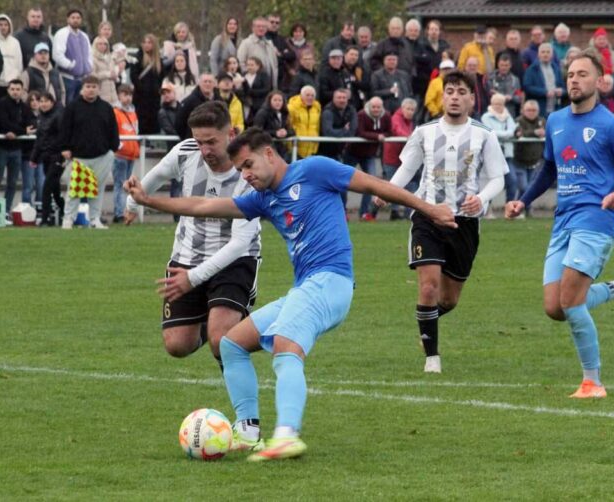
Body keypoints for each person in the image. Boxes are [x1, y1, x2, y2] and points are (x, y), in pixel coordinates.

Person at [125, 126, 456, 461]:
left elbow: (375, 185)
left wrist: (430, 209)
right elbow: (204, 205)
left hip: (330, 281)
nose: (246, 175)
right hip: (306, 287)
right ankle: (247, 431)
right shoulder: (263, 200)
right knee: (231, 343)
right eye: (241, 169)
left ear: (269, 153)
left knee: (285, 344)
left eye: (249, 165)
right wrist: (149, 201)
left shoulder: (314, 170)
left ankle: (286, 434)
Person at [505, 50, 614, 399]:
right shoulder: (555, 121)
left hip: (596, 220)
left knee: (570, 301)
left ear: (599, 82)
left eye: (582, 74)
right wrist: (522, 200)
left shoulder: (611, 125)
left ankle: (592, 382)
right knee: (555, 307)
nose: (574, 79)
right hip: (563, 220)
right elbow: (549, 170)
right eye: (570, 74)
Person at [376, 70, 507, 373]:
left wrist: (483, 198)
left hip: (465, 222)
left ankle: (426, 322)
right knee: (428, 288)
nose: (455, 97)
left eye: (462, 92)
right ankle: (432, 358)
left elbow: (497, 178)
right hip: (427, 215)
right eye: (450, 91)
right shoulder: (424, 132)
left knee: (449, 299)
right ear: (442, 96)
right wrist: (387, 191)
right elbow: (407, 170)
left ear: (472, 98)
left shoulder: (484, 135)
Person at [124, 101, 261, 372]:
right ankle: (218, 325)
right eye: (199, 142)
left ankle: (246, 409)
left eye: (211, 141)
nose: (205, 150)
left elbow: (239, 244)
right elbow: (154, 177)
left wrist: (194, 278)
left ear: (231, 134)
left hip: (235, 260)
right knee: (177, 346)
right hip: (186, 256)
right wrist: (131, 205)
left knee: (221, 339)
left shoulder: (249, 172)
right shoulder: (185, 152)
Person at [59, 75, 119, 229]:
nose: (91, 90)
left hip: (102, 155)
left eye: (94, 87)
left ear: (98, 89)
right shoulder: (72, 107)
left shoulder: (106, 107)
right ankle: (68, 219)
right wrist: (65, 147)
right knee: (75, 190)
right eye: (88, 86)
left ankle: (94, 219)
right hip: (79, 156)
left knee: (98, 188)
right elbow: (65, 129)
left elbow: (113, 130)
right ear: (82, 89)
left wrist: (113, 148)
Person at [0, 79, 37, 214]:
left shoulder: (24, 107)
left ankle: (6, 210)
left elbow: (31, 124)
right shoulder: (2, 103)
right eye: (12, 89)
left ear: (22, 91)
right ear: (8, 90)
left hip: (17, 149)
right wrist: (23, 131)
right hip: (2, 148)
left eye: (18, 89)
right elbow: (4, 123)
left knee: (12, 183)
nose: (15, 92)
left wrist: (18, 131)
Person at [344, 96, 391, 220]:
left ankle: (364, 213)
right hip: (352, 153)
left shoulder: (386, 116)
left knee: (370, 184)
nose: (376, 109)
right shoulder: (361, 115)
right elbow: (360, 132)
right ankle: (342, 211)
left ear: (382, 108)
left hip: (369, 154)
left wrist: (381, 135)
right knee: (343, 182)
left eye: (378, 107)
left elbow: (389, 131)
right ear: (369, 106)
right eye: (373, 107)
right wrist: (377, 136)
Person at [30, 93, 64, 226]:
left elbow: (63, 136)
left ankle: (45, 219)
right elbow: (39, 140)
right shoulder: (41, 117)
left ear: (52, 102)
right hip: (45, 157)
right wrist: (34, 158)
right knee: (55, 191)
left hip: (56, 156)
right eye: (41, 101)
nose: (43, 104)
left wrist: (62, 155)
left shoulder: (58, 116)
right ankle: (64, 210)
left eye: (46, 101)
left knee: (46, 188)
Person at [382, 98, 418, 220]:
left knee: (404, 186)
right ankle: (391, 212)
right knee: (391, 187)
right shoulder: (396, 118)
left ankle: (406, 213)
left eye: (412, 110)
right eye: (408, 109)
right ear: (402, 109)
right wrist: (410, 137)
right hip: (392, 158)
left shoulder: (410, 122)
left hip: (402, 158)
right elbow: (397, 130)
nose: (410, 112)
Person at [482, 93, 517, 205]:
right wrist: (507, 134)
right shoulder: (485, 117)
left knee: (513, 181)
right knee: (491, 182)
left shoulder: (508, 116)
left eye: (500, 104)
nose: (498, 106)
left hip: (507, 154)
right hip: (492, 154)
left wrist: (503, 134)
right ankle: (487, 210)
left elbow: (513, 131)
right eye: (495, 103)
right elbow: (491, 133)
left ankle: (510, 208)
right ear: (491, 104)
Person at [512, 99, 546, 215]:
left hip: (536, 161)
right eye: (529, 110)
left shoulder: (542, 121)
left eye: (534, 110)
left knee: (530, 187)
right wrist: (535, 133)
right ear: (523, 111)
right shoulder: (518, 121)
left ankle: (524, 209)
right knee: (524, 186)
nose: (531, 112)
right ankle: (520, 208)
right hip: (519, 161)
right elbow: (519, 133)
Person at [112, 85, 140, 223]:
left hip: (131, 153)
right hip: (121, 154)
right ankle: (119, 212)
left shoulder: (133, 112)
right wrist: (120, 146)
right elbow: (113, 131)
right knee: (120, 184)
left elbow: (135, 130)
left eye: (129, 95)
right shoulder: (116, 112)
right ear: (119, 96)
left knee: (126, 184)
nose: (128, 97)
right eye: (124, 94)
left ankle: (124, 211)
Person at [53, 9, 93, 104]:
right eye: (73, 18)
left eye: (78, 18)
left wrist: (89, 67)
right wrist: (69, 65)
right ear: (68, 19)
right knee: (68, 106)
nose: (75, 20)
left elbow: (89, 54)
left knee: (80, 106)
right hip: (67, 79)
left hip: (82, 79)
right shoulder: (62, 34)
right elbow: (57, 55)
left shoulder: (84, 36)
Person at [130, 34, 163, 135]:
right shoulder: (137, 58)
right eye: (145, 42)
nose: (147, 45)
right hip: (141, 98)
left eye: (149, 42)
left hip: (154, 98)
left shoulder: (159, 60)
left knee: (153, 122)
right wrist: (142, 88)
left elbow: (161, 77)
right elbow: (134, 76)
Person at [523, 43, 565, 117]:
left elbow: (563, 86)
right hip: (539, 108)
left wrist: (561, 91)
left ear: (552, 55)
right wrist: (545, 92)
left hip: (555, 106)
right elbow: (527, 87)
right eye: (543, 52)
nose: (545, 54)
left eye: (548, 52)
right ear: (538, 54)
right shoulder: (532, 69)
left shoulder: (556, 69)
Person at [20, 43, 65, 107]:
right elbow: (23, 93)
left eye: (46, 53)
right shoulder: (27, 73)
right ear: (35, 55)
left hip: (56, 110)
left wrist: (61, 105)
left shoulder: (56, 73)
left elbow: (62, 91)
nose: (43, 56)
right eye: (40, 53)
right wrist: (33, 106)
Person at [237, 17, 277, 88]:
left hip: (269, 84)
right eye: (258, 26)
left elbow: (274, 64)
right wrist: (250, 75)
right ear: (253, 28)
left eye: (263, 27)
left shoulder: (269, 44)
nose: (261, 29)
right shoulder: (246, 43)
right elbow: (240, 62)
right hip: (254, 86)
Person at [252, 90, 294, 159]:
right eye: (275, 100)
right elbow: (257, 131)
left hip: (280, 150)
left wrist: (286, 132)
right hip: (266, 149)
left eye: (280, 100)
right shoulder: (262, 113)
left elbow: (292, 131)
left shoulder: (285, 114)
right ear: (269, 101)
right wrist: (275, 133)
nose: (277, 102)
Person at [318, 88, 357, 161]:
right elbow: (328, 132)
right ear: (333, 98)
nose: (342, 100)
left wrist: (340, 132)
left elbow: (353, 130)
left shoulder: (351, 110)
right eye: (339, 98)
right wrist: (344, 130)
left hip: (344, 152)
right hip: (326, 152)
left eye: (344, 98)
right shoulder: (327, 111)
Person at [175, 73, 216, 140]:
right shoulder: (189, 102)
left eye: (210, 81)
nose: (207, 84)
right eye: (205, 81)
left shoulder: (219, 100)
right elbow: (179, 123)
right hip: (194, 141)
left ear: (214, 84)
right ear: (199, 83)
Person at [0, 14, 23, 104]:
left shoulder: (15, 43)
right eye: (0, 25)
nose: (3, 27)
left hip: (12, 85)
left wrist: (16, 78)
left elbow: (19, 63)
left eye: (6, 25)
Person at [287, 85, 320, 158]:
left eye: (312, 95)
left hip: (311, 149)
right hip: (295, 148)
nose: (310, 97)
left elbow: (317, 127)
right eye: (307, 95)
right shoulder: (291, 108)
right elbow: (288, 126)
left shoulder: (317, 108)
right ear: (301, 95)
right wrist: (289, 146)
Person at [486, 53, 522, 118]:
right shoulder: (490, 78)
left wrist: (511, 98)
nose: (504, 68)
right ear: (498, 65)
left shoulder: (515, 80)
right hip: (493, 114)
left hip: (510, 114)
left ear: (510, 66)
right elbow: (489, 94)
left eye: (506, 65)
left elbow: (519, 98)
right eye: (502, 65)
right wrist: (503, 97)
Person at [241, 57, 271, 124]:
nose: (249, 67)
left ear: (258, 66)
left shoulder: (263, 75)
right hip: (245, 103)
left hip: (259, 103)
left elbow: (266, 89)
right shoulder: (243, 75)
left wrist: (251, 92)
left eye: (252, 65)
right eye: (248, 65)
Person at [90, 36, 119, 105]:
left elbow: (113, 73)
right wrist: (107, 74)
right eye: (100, 44)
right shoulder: (92, 59)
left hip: (113, 96)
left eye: (105, 44)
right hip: (100, 95)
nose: (103, 46)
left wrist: (115, 76)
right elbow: (92, 76)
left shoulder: (110, 58)